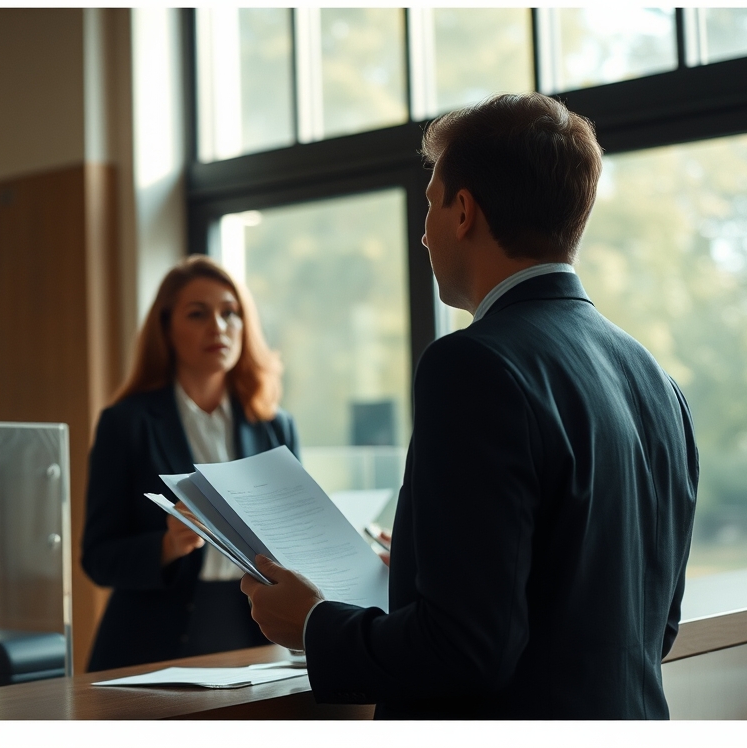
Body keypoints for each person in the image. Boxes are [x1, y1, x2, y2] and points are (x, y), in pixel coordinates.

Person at [241, 93, 699, 719]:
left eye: (429, 205)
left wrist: (313, 624)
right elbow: (649, 622)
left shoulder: (473, 365)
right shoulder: (656, 381)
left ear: (463, 211)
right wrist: (432, 564)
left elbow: (466, 650)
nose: (423, 235)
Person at [81, 255, 299, 672]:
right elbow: (98, 557)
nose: (218, 326)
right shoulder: (126, 424)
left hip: (255, 630)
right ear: (166, 329)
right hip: (152, 639)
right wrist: (166, 545)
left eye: (230, 313)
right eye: (198, 314)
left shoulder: (275, 426)